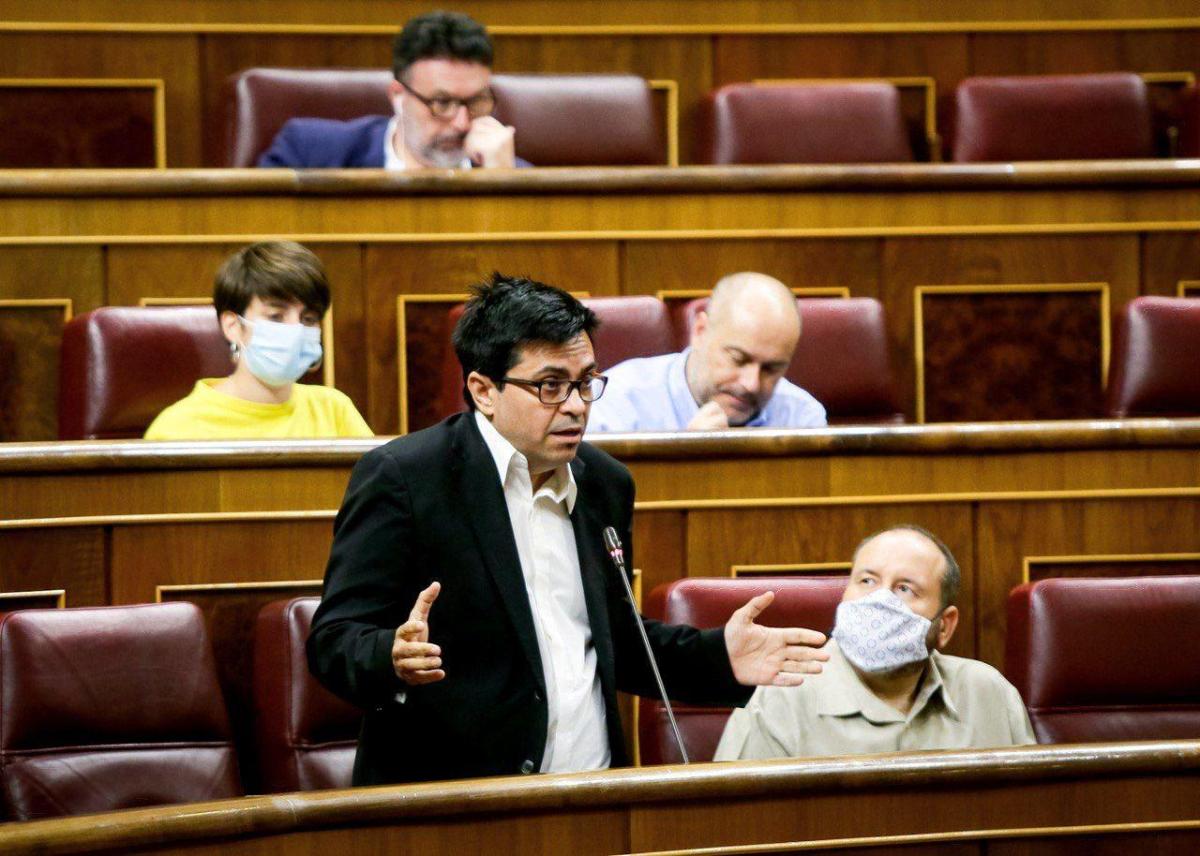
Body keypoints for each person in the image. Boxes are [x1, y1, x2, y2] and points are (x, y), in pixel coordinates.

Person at [307, 273, 830, 785]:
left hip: (590, 795)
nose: (577, 405)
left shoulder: (604, 483)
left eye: (584, 383)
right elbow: (333, 642)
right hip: (456, 807)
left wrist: (719, 657)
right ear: (484, 390)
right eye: (551, 386)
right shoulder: (405, 479)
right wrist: (389, 656)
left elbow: (616, 641)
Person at [714, 525, 1036, 760]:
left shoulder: (990, 694)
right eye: (867, 581)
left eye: (905, 589)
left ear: (945, 626)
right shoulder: (781, 696)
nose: (880, 601)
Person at [144, 242, 372, 440]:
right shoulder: (176, 430)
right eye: (276, 316)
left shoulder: (333, 410)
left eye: (308, 318)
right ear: (233, 326)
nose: (296, 329)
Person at [258, 11, 528, 170]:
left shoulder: (518, 176)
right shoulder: (308, 153)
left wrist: (504, 188)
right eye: (442, 102)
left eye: (475, 102)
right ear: (398, 95)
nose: (461, 123)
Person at [587, 272, 826, 432]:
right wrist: (687, 459)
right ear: (700, 331)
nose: (751, 384)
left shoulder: (803, 419)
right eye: (738, 359)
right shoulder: (616, 404)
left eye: (771, 369)